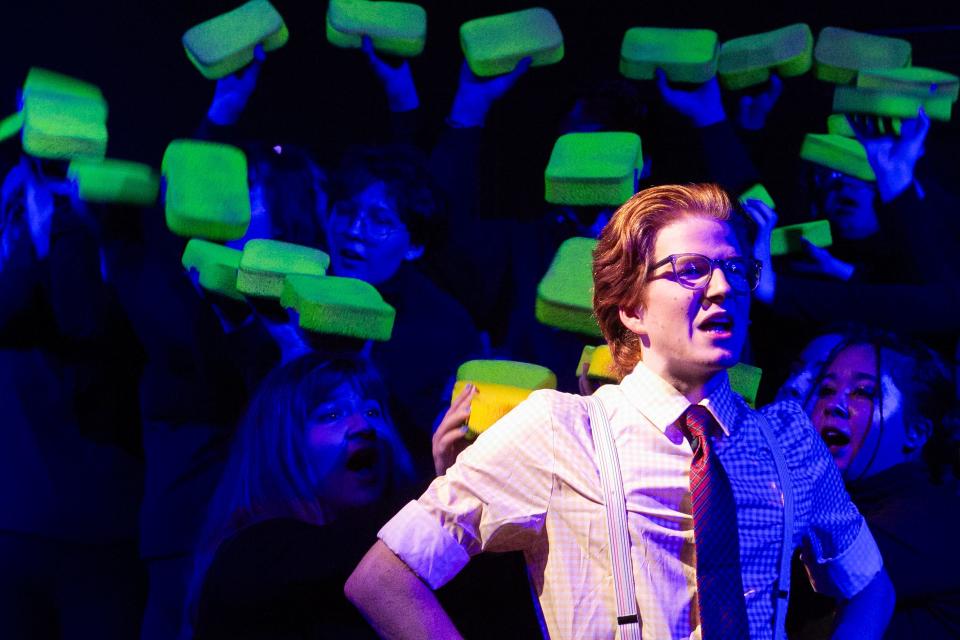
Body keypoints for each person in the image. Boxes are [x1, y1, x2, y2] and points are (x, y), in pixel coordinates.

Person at [346, 183, 894, 639]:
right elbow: (385, 577)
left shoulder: (788, 438)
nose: (723, 288)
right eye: (691, 270)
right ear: (632, 306)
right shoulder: (559, 430)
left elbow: (870, 588)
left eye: (735, 268)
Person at [186, 354, 415, 639]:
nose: (363, 427)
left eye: (373, 411)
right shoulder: (255, 555)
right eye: (331, 415)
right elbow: (334, 552)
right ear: (282, 445)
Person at [785, 328, 960, 639]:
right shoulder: (839, 502)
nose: (834, 404)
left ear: (916, 432)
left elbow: (781, 564)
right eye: (825, 389)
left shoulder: (936, 521)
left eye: (864, 393)